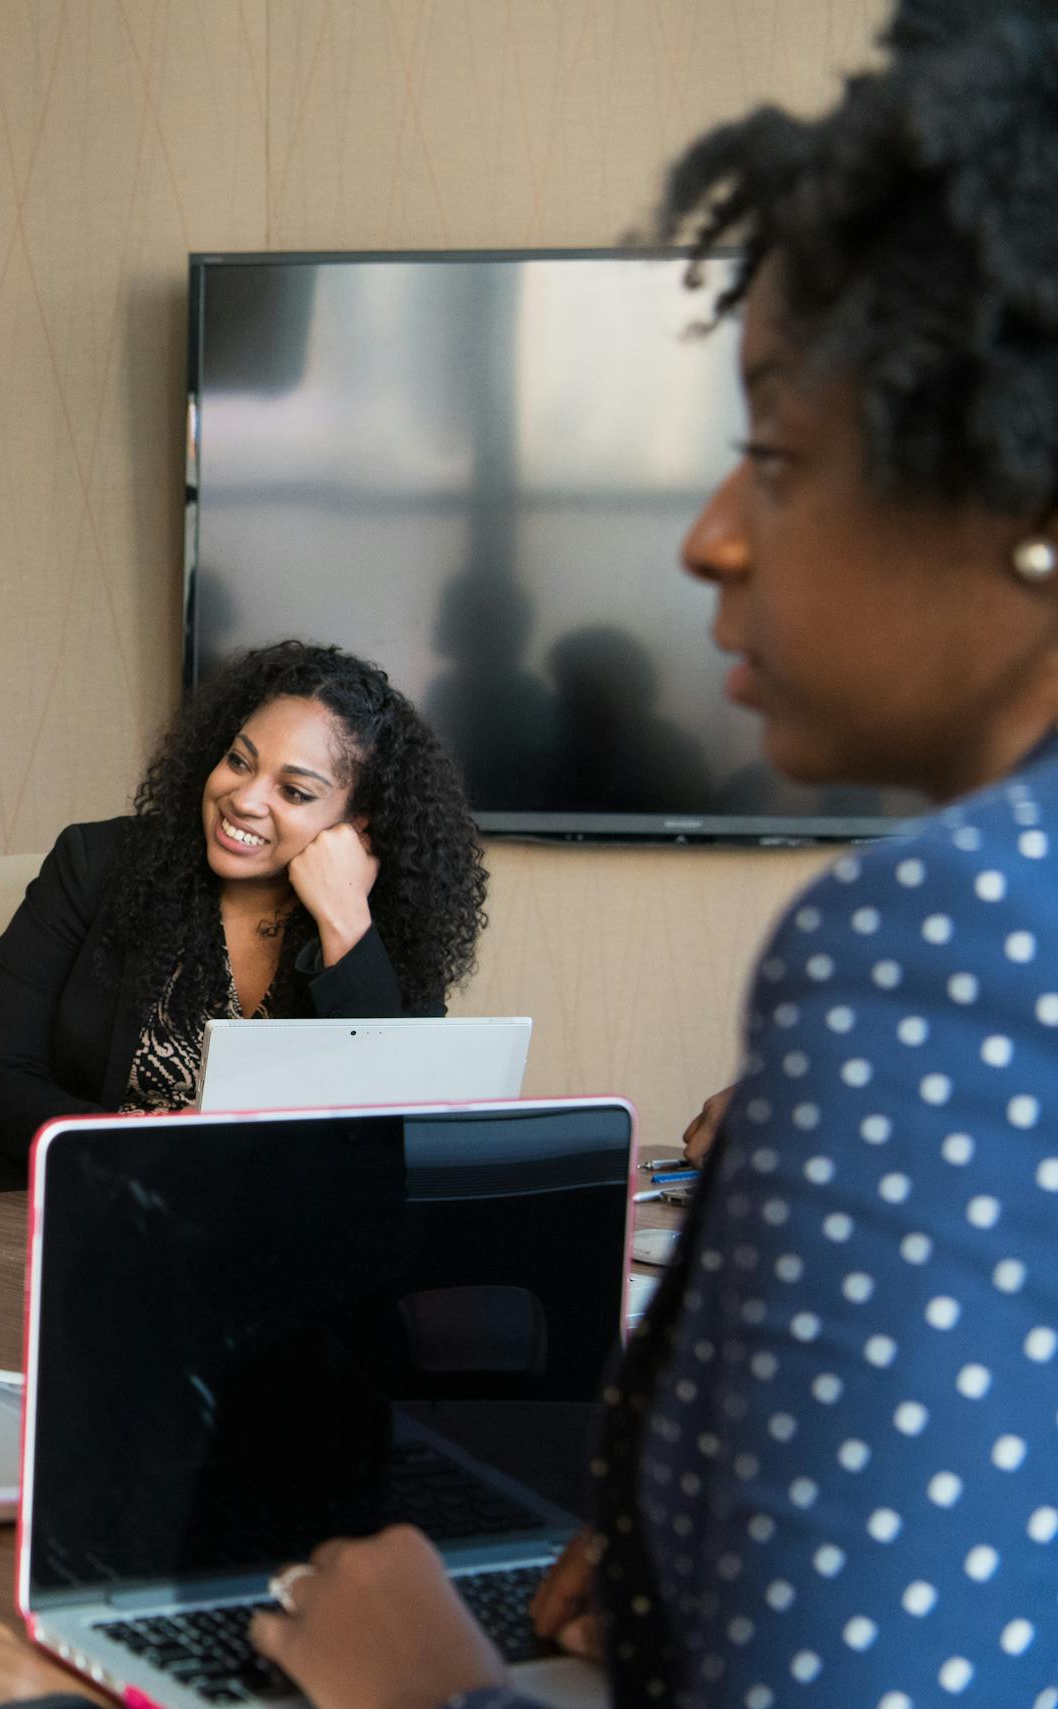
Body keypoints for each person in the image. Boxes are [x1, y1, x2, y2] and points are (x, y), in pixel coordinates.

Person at [248, 6, 1058, 1705]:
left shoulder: (941, 941)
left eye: (773, 448)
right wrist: (711, 1565)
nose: (710, 533)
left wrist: (429, 1686)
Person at [0, 640, 489, 1195]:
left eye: (294, 791)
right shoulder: (96, 863)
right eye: (239, 761)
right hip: (69, 1201)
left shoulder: (386, 928)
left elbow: (393, 1131)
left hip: (263, 1239)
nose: (244, 798)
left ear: (358, 824)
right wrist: (145, 1153)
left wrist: (345, 925)